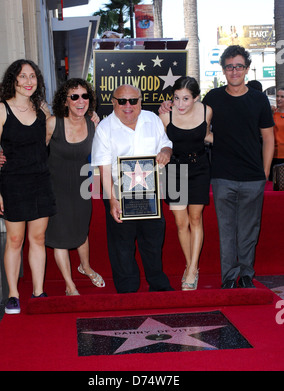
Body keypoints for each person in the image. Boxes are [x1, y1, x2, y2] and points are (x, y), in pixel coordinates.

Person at [160, 45, 274, 289]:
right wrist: (169, 108)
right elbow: (181, 122)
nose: (234, 71)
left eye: (239, 66)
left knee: (248, 230)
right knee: (225, 229)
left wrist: (264, 173)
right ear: (223, 70)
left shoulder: (259, 99)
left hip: (250, 175)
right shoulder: (212, 99)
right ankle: (228, 277)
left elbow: (268, 138)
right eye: (229, 66)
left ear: (247, 69)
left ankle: (245, 274)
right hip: (216, 174)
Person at [0, 59, 56, 314]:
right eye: (23, 76)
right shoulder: (0, 111)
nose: (28, 81)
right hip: (13, 183)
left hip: (40, 181)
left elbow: (52, 137)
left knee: (37, 238)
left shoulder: (41, 110)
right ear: (13, 80)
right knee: (15, 240)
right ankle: (14, 295)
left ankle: (38, 292)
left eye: (33, 77)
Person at [91, 84, 174, 293]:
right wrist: (111, 200)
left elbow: (166, 143)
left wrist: (165, 151)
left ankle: (158, 285)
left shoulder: (152, 119)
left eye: (133, 100)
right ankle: (127, 290)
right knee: (121, 245)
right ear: (113, 102)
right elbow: (104, 166)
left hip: (150, 191)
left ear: (140, 101)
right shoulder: (104, 128)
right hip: (118, 192)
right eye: (122, 101)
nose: (128, 105)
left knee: (153, 241)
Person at [45, 78, 105, 295]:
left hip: (81, 188)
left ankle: (85, 267)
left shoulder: (93, 124)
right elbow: (33, 152)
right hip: (54, 188)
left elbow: (106, 152)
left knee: (81, 230)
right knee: (60, 235)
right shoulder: (53, 123)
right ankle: (70, 284)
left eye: (85, 96)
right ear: (65, 101)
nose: (81, 101)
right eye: (75, 96)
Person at [159, 76, 213, 291]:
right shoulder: (165, 114)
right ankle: (189, 265)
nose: (180, 104)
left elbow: (206, 135)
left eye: (186, 99)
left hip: (199, 167)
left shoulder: (206, 111)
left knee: (196, 218)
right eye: (177, 98)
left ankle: (192, 269)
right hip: (174, 170)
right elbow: (161, 142)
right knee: (181, 223)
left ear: (196, 98)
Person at [269, 87, 284, 180]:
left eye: (282, 96)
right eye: (277, 96)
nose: (279, 99)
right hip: (273, 155)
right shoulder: (272, 113)